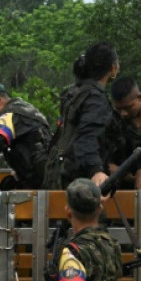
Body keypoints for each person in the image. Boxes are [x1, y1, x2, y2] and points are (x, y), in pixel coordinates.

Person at [43, 42, 120, 190]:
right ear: (112, 68)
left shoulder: (75, 93)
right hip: (77, 179)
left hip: (59, 171)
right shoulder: (95, 98)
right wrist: (96, 170)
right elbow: (87, 137)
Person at [108, 76, 141, 189]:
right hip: (123, 185)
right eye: (119, 109)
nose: (123, 113)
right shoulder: (112, 120)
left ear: (139, 97)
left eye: (128, 107)